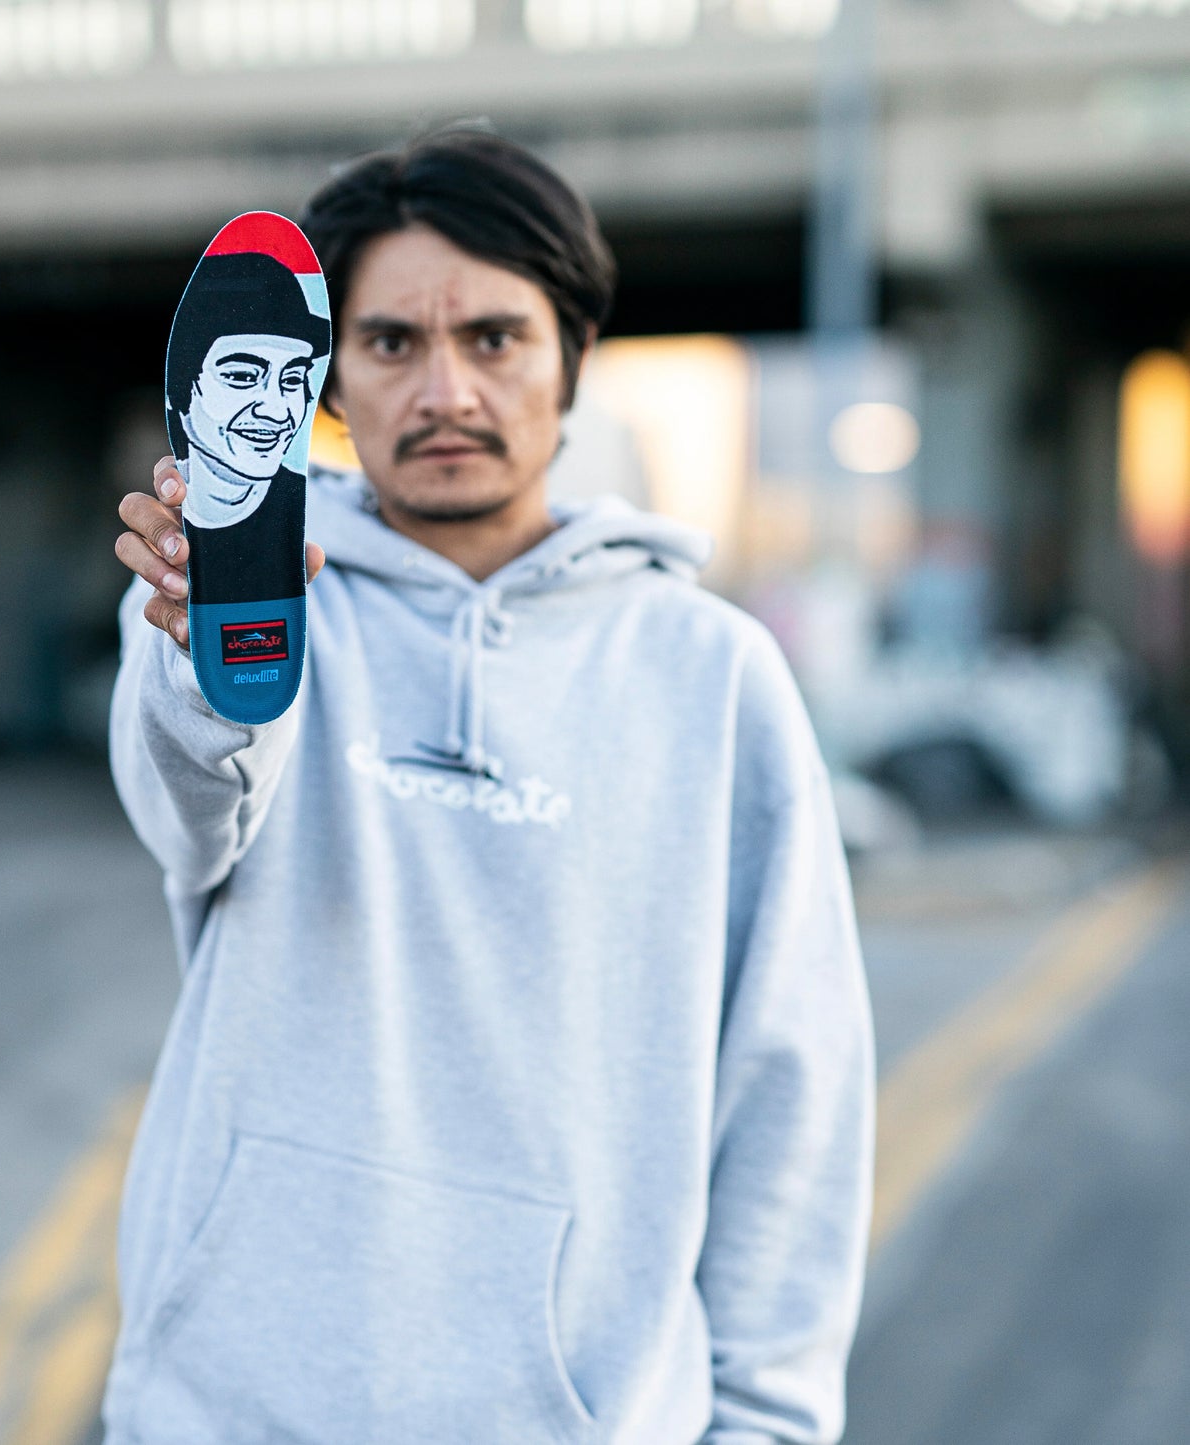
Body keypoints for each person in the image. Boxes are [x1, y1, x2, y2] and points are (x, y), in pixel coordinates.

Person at [108, 127, 874, 1445]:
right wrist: (204, 667)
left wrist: (767, 1426)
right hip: (231, 1408)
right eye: (390, 341)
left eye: (494, 338)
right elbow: (187, 816)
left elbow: (790, 1083)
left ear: (572, 355)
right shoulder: (233, 606)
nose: (444, 389)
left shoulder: (711, 673)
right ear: (328, 375)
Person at [166, 250, 331, 602]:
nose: (276, 410)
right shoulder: (173, 542)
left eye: (292, 379)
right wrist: (176, 617)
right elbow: (150, 619)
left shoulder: (316, 528)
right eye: (242, 376)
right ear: (182, 390)